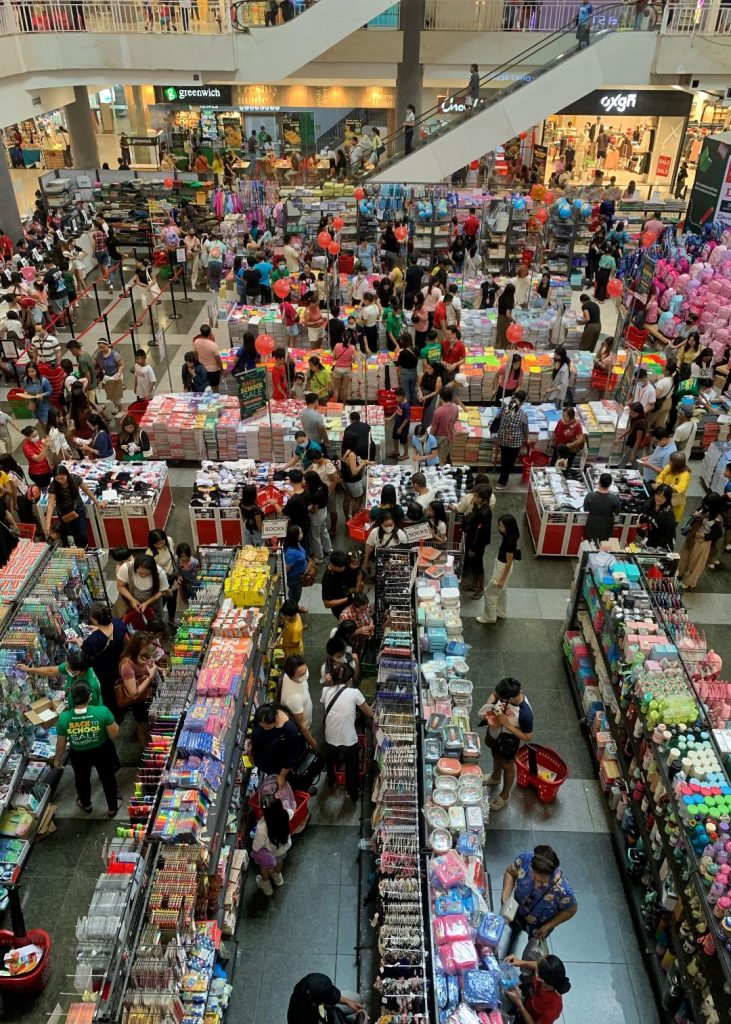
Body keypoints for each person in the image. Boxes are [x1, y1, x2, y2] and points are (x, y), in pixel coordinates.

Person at [498, 846, 578, 960]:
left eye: (542, 881)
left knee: (533, 950)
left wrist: (548, 926)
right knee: (513, 930)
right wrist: (505, 898)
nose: (537, 884)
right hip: (517, 911)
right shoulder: (525, 860)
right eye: (534, 877)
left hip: (540, 925)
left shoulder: (563, 891)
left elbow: (571, 910)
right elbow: (510, 873)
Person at [54, 682, 120, 817]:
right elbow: (114, 734)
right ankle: (112, 808)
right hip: (102, 750)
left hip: (78, 754)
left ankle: (86, 804)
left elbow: (61, 744)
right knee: (108, 778)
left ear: (72, 697)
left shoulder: (64, 718)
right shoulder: (102, 711)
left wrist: (57, 759)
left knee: (81, 779)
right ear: (90, 696)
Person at [479, 675, 534, 811]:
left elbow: (528, 736)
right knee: (495, 756)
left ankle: (504, 795)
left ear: (510, 698)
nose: (498, 697)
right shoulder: (505, 692)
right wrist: (488, 707)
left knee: (507, 766)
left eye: (501, 698)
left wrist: (508, 725)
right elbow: (494, 695)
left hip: (508, 742)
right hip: (494, 734)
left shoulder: (525, 713)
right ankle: (495, 777)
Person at [321, 663, 373, 803]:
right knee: (352, 769)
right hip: (349, 740)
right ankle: (353, 794)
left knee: (331, 762)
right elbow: (369, 713)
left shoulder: (326, 691)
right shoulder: (354, 693)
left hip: (330, 737)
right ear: (350, 680)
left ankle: (331, 781)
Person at [477, 513, 521, 627]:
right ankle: (501, 612)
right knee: (502, 592)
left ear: (509, 527)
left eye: (501, 526)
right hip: (502, 566)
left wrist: (501, 579)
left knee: (490, 593)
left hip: (502, 568)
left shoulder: (509, 542)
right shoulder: (510, 536)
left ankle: (489, 617)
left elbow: (509, 561)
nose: (499, 528)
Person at [21, 648, 102, 707]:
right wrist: (28, 669)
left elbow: (88, 712)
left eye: (68, 667)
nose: (66, 668)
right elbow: (51, 671)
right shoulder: (74, 665)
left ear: (78, 671)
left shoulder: (91, 687)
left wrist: (67, 716)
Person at [45, 465, 102, 547]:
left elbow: (86, 489)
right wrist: (47, 524)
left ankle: (83, 549)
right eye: (58, 479)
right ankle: (76, 552)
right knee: (70, 536)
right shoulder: (53, 485)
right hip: (64, 514)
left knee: (83, 535)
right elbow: (50, 505)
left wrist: (97, 502)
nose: (60, 481)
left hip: (78, 510)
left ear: (66, 474)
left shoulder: (75, 478)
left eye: (62, 478)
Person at [504, 955, 572, 1024]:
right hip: (528, 999)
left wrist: (520, 1005)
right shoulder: (546, 976)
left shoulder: (552, 1009)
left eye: (537, 970)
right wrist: (520, 962)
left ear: (540, 978)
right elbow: (537, 965)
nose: (535, 966)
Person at [252, 703, 303, 793]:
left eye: (267, 727)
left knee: (285, 790)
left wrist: (282, 776)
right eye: (262, 726)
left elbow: (291, 756)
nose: (264, 728)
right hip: (266, 764)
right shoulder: (263, 715)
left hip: (277, 768)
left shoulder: (289, 730)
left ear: (276, 718)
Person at [118, 631, 157, 745]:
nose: (148, 649)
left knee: (148, 724)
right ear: (137, 648)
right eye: (145, 647)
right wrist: (150, 677)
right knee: (143, 724)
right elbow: (133, 693)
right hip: (139, 701)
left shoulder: (142, 655)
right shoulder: (126, 665)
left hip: (149, 695)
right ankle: (145, 751)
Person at [252, 794, 293, 896]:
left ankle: (266, 885)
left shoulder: (262, 827)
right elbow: (292, 812)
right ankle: (278, 878)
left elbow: (257, 846)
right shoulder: (286, 814)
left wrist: (254, 850)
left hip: (270, 852)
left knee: (264, 866)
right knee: (280, 861)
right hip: (283, 847)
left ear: (263, 811)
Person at [116, 553, 169, 628]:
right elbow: (120, 586)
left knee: (155, 624)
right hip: (131, 602)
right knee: (133, 623)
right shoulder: (127, 568)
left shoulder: (160, 572)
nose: (143, 575)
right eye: (140, 573)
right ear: (135, 568)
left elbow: (162, 591)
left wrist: (147, 603)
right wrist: (132, 600)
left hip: (153, 602)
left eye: (147, 573)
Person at [287, 974, 364, 1024]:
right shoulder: (299, 1017)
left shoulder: (311, 981)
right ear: (315, 1003)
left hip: (320, 1008)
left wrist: (348, 1002)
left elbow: (329, 995)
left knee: (356, 999)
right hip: (313, 1020)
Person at [279, 654, 317, 752]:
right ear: (292, 676)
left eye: (306, 670)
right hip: (304, 726)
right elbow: (302, 726)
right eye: (301, 675)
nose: (306, 675)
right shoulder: (293, 699)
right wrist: (313, 743)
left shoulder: (292, 677)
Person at [496, 390, 529, 489]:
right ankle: (502, 483)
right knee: (509, 462)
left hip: (502, 438)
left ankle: (503, 478)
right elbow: (525, 429)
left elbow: (497, 418)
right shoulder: (522, 414)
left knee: (504, 459)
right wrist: (526, 439)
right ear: (522, 402)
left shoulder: (505, 409)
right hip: (514, 442)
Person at [146, 528, 178, 623]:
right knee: (161, 602)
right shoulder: (150, 553)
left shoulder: (169, 540)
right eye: (157, 544)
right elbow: (152, 572)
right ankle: (156, 622)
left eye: (162, 542)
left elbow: (174, 555)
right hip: (161, 581)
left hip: (173, 576)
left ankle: (171, 619)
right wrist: (163, 587)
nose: (160, 545)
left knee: (172, 600)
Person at [583, 472, 621, 543]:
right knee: (604, 547)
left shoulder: (590, 496)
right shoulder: (614, 498)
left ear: (599, 482)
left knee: (591, 546)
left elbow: (585, 509)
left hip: (592, 525)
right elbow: (617, 512)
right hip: (607, 527)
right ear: (610, 484)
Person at [654, 451, 691, 523]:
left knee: (670, 522)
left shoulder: (685, 475)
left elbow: (681, 488)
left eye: (671, 461)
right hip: (663, 498)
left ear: (677, 464)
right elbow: (660, 477)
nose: (669, 462)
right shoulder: (669, 467)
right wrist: (661, 483)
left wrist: (671, 487)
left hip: (674, 504)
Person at [305, 469, 331, 564]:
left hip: (317, 515)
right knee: (324, 531)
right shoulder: (323, 486)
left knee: (315, 536)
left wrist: (306, 509)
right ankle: (328, 549)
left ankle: (319, 556)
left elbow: (314, 509)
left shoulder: (314, 494)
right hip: (324, 510)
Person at [640, 484, 677, 550]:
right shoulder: (650, 502)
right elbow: (643, 517)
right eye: (658, 495)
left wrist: (656, 550)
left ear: (667, 499)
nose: (659, 498)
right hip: (649, 539)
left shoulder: (668, 515)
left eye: (663, 497)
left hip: (660, 546)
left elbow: (667, 536)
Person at [18, 363, 53, 432]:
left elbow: (50, 391)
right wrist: (25, 393)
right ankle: (46, 435)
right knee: (40, 422)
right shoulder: (26, 380)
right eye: (29, 372)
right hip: (34, 405)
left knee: (46, 423)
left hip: (44, 405)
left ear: (36, 370)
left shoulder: (43, 381)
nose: (31, 374)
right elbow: (25, 389)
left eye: (32, 371)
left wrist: (42, 395)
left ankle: (51, 436)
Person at [321, 550, 353, 619]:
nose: (344, 568)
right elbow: (327, 604)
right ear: (333, 566)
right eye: (341, 567)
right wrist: (347, 599)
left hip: (349, 598)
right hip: (340, 608)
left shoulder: (341, 563)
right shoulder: (327, 580)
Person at [340, 444, 369, 518]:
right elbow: (354, 471)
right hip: (353, 482)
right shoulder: (352, 454)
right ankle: (354, 520)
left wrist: (366, 461)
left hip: (345, 480)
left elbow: (351, 463)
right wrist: (362, 464)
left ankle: (347, 518)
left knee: (347, 498)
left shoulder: (344, 451)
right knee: (358, 500)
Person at [283, 525, 309, 607]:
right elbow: (286, 570)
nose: (302, 534)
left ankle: (295, 607)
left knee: (295, 595)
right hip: (294, 580)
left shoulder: (297, 544)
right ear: (295, 536)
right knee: (295, 596)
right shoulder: (291, 553)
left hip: (300, 577)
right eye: (300, 533)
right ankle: (293, 609)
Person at [21, 425, 53, 489]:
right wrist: (45, 447)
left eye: (37, 434)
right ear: (28, 437)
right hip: (38, 473)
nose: (37, 437)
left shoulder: (37, 441)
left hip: (47, 469)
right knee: (45, 490)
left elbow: (45, 454)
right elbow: (38, 459)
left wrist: (50, 465)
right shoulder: (26, 447)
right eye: (34, 436)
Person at [617, 402, 648, 468]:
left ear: (639, 413)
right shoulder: (634, 418)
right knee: (633, 461)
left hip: (634, 446)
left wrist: (633, 452)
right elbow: (630, 428)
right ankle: (637, 471)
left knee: (623, 461)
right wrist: (621, 436)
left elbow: (638, 440)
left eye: (634, 413)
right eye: (631, 412)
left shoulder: (641, 423)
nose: (632, 414)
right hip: (632, 442)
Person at [192, 324, 222, 390]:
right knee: (215, 389)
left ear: (201, 333)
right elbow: (218, 360)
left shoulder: (196, 342)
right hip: (213, 370)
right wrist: (222, 370)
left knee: (204, 388)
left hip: (202, 369)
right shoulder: (213, 345)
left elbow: (194, 353)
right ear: (210, 333)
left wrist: (199, 361)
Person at [418, 361, 444, 430]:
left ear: (434, 369)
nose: (427, 370)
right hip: (423, 397)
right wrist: (421, 394)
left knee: (430, 414)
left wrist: (425, 397)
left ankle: (428, 429)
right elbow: (419, 386)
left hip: (432, 398)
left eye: (430, 368)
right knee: (423, 414)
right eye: (427, 368)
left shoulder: (438, 378)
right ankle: (422, 427)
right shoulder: (424, 375)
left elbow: (436, 392)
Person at [175, 543, 200, 609]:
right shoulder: (177, 561)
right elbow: (177, 571)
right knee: (187, 598)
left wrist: (196, 573)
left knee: (197, 597)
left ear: (188, 554)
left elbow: (198, 573)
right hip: (185, 584)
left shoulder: (195, 562)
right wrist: (179, 576)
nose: (182, 558)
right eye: (180, 556)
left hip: (195, 583)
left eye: (184, 556)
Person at [496, 282, 515, 347]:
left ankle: (497, 346)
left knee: (499, 334)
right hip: (505, 320)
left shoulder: (501, 297)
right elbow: (508, 314)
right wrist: (513, 320)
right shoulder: (509, 300)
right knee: (504, 335)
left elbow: (498, 305)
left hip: (500, 317)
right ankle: (502, 349)